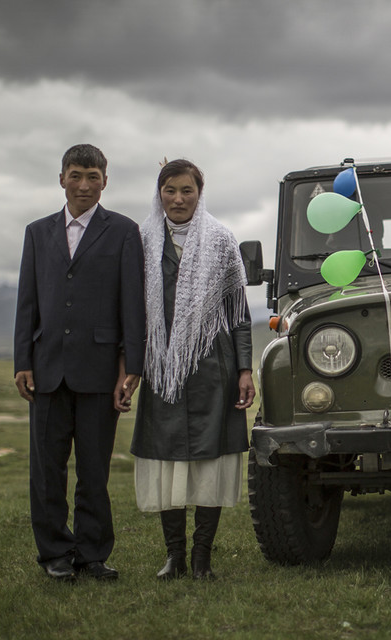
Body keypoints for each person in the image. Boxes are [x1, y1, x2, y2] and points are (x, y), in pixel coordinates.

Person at [13, 144, 145, 581]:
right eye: (76, 175)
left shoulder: (124, 232)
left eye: (92, 176)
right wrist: (22, 360)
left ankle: (92, 555)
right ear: (62, 179)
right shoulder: (36, 232)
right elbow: (27, 302)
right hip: (47, 367)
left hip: (101, 370)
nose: (84, 184)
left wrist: (131, 367)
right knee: (46, 470)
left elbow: (132, 305)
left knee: (94, 470)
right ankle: (54, 553)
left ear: (105, 181)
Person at [131, 159, 254, 580]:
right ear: (159, 192)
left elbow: (238, 313)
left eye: (187, 190)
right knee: (167, 457)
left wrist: (244, 369)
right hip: (161, 368)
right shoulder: (142, 239)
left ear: (200, 193)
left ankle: (202, 559)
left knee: (208, 461)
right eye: (170, 190)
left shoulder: (221, 241)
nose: (178, 198)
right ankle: (174, 557)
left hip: (211, 367)